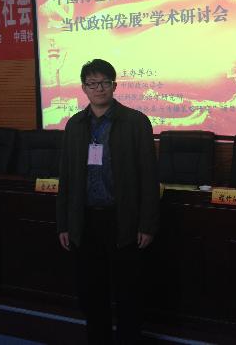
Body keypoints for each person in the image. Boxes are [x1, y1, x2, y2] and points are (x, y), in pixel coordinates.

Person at [57, 58, 159, 345]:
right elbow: (66, 178)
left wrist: (147, 224)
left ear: (114, 85)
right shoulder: (75, 125)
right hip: (86, 220)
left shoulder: (135, 122)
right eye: (92, 83)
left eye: (104, 82)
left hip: (123, 220)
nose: (98, 88)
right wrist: (64, 223)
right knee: (92, 293)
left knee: (128, 292)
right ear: (83, 88)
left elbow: (149, 177)